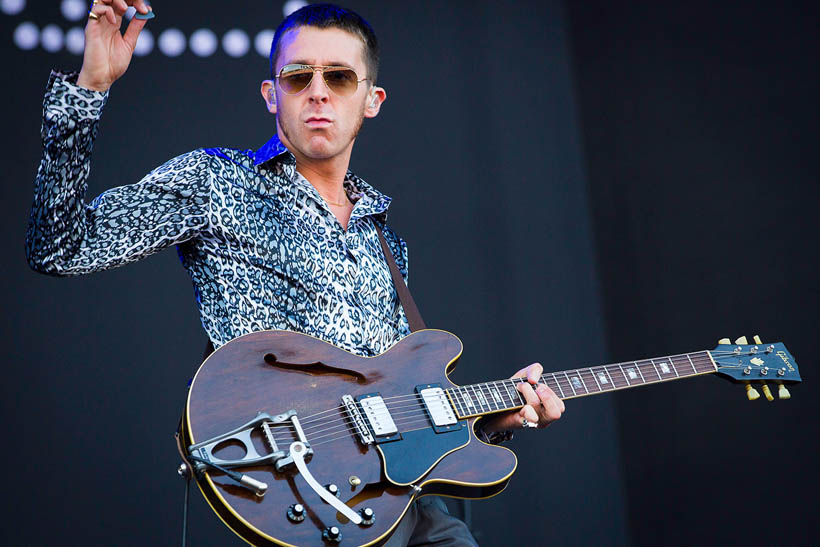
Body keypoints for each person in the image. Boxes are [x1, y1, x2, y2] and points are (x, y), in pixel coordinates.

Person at [26, 2, 565, 545]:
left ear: (370, 100)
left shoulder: (384, 235)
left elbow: (397, 405)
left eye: (339, 76)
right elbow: (59, 247)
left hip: (406, 506)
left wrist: (496, 422)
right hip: (303, 498)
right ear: (271, 94)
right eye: (298, 76)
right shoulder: (216, 184)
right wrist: (89, 88)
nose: (319, 91)